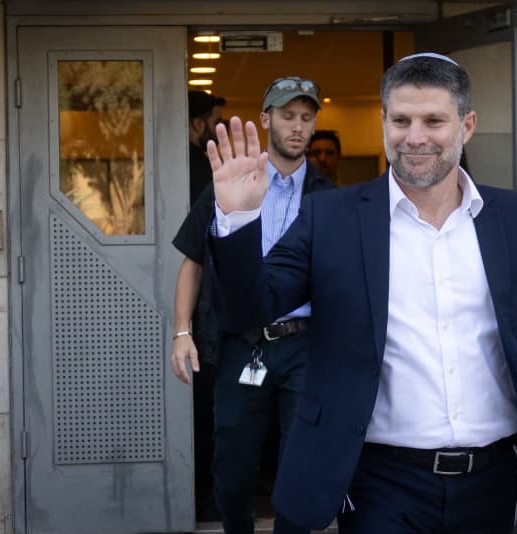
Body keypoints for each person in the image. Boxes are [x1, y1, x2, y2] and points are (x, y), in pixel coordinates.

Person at [206, 53, 517, 533]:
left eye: (433, 121)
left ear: (467, 125)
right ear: (384, 122)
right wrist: (239, 219)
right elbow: (249, 309)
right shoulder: (331, 218)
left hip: (493, 479)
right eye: (401, 121)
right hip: (379, 482)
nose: (415, 137)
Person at [172, 76, 335, 534]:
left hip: (305, 345)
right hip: (242, 343)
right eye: (287, 116)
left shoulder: (329, 196)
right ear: (266, 119)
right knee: (231, 467)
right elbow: (193, 260)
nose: (297, 126)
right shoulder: (228, 182)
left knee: (300, 464)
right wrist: (182, 332)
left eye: (306, 117)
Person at [170, 89, 228, 522]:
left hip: (193, 315)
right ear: (197, 124)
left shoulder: (166, 167)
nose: (217, 127)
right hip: (207, 309)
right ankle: (206, 496)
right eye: (214, 120)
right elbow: (194, 255)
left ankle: (197, 494)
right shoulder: (208, 173)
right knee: (209, 409)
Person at [188, 90, 227, 201]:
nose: (220, 129)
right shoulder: (203, 168)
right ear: (198, 124)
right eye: (216, 123)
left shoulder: (171, 160)